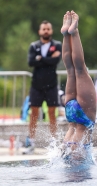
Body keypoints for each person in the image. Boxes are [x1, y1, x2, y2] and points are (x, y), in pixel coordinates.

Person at [23, 20, 62, 154]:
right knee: (33, 113)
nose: (46, 31)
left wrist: (41, 59)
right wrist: (48, 58)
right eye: (43, 29)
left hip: (51, 85)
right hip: (36, 85)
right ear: (40, 31)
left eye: (48, 29)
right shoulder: (34, 46)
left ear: (51, 31)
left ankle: (53, 142)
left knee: (52, 114)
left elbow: (56, 61)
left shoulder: (57, 45)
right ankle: (31, 142)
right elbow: (31, 62)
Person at [60, 10, 96, 151]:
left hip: (81, 115)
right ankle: (66, 34)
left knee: (79, 70)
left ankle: (72, 33)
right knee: (71, 70)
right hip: (70, 110)